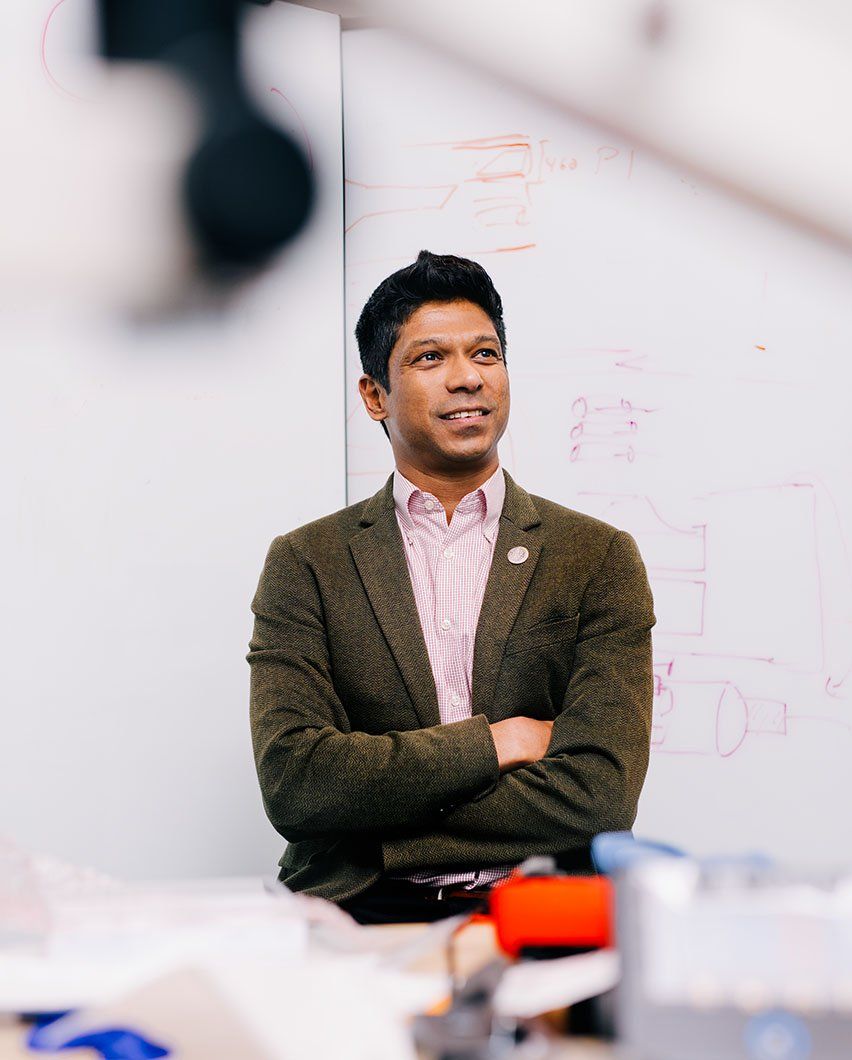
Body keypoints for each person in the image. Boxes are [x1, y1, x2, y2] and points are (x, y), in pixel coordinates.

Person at [247, 250, 655, 924]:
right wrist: (500, 742)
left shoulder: (598, 556)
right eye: (430, 358)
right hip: (361, 910)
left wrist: (378, 827)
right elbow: (298, 784)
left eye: (486, 354)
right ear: (374, 395)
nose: (467, 378)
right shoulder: (307, 563)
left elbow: (600, 794)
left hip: (541, 910)